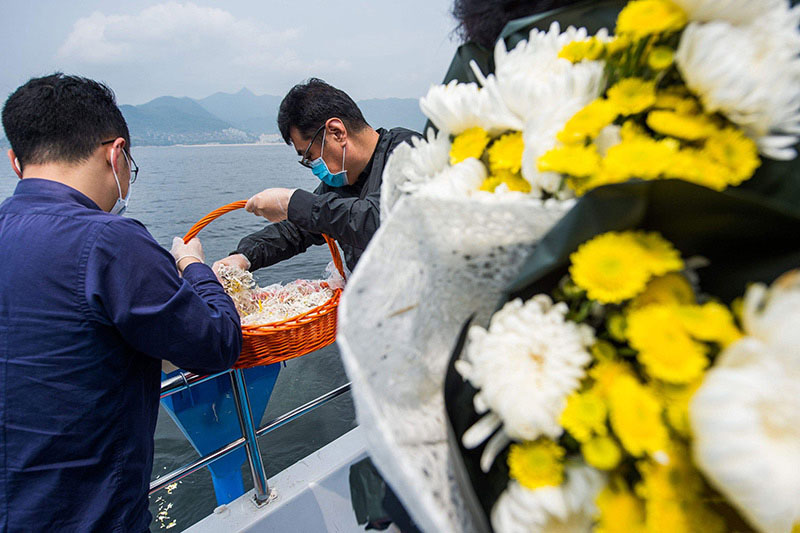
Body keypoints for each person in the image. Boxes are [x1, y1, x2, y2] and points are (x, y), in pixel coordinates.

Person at [0, 73, 242, 532]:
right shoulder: (110, 242)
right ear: (116, 153)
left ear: (16, 162)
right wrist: (193, 267)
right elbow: (216, 343)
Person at [213, 78, 419, 275]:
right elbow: (298, 229)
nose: (313, 167)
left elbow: (379, 221)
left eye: (310, 156)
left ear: (337, 132)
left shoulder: (412, 152)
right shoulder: (342, 182)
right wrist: (245, 256)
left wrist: (291, 202)